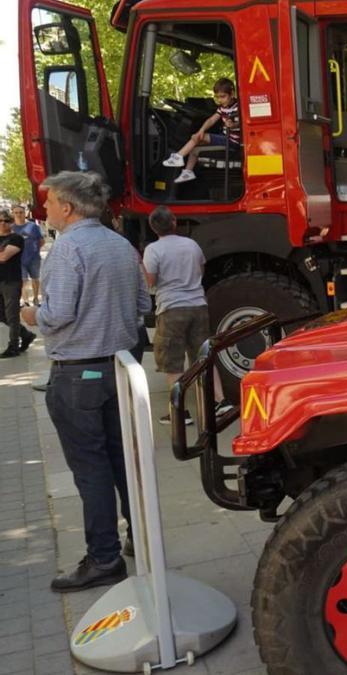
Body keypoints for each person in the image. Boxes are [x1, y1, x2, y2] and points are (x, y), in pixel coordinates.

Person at [20, 171, 151, 592]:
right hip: (118, 367)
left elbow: (57, 315)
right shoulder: (120, 245)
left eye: (52, 201)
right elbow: (142, 305)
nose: (47, 209)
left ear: (69, 207)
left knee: (91, 470)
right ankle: (139, 539)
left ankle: (104, 559)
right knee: (119, 460)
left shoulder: (66, 250)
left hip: (78, 375)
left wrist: (29, 317)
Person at [142, 205, 231, 424]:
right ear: (174, 222)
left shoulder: (153, 250)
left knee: (172, 362)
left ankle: (180, 412)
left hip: (171, 308)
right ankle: (221, 401)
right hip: (198, 305)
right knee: (203, 355)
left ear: (153, 228)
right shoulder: (191, 244)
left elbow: (150, 281)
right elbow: (201, 271)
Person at [162, 77, 241, 184]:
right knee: (195, 145)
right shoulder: (222, 107)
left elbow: (241, 122)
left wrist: (232, 125)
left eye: (223, 97)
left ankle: (178, 156)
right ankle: (188, 172)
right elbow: (211, 120)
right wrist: (201, 130)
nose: (220, 100)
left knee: (198, 137)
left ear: (232, 93)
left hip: (233, 142)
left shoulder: (239, 107)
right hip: (225, 137)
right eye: (217, 97)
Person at [0, 210, 35, 357]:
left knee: (12, 314)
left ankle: (13, 346)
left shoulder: (16, 238)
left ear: (11, 222)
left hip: (11, 281)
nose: (2, 223)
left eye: (6, 221)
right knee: (2, 315)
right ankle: (25, 334)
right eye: (0, 221)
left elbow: (3, 256)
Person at [12, 205, 44, 306]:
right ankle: (25, 301)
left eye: (20, 212)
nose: (18, 215)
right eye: (16, 213)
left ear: (25, 213)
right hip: (18, 260)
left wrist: (34, 251)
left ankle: (35, 299)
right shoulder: (11, 228)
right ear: (12, 214)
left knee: (35, 278)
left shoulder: (33, 226)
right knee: (22, 280)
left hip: (34, 259)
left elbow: (41, 241)